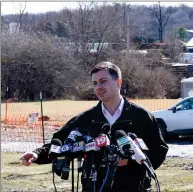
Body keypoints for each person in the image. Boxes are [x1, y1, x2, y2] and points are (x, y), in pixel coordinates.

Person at [20, 61, 169, 192]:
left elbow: (159, 150)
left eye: (103, 81)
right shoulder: (86, 118)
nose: (98, 87)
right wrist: (37, 154)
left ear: (118, 82)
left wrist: (131, 162)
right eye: (95, 83)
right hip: (95, 186)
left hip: (134, 186)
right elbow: (61, 142)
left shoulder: (141, 116)